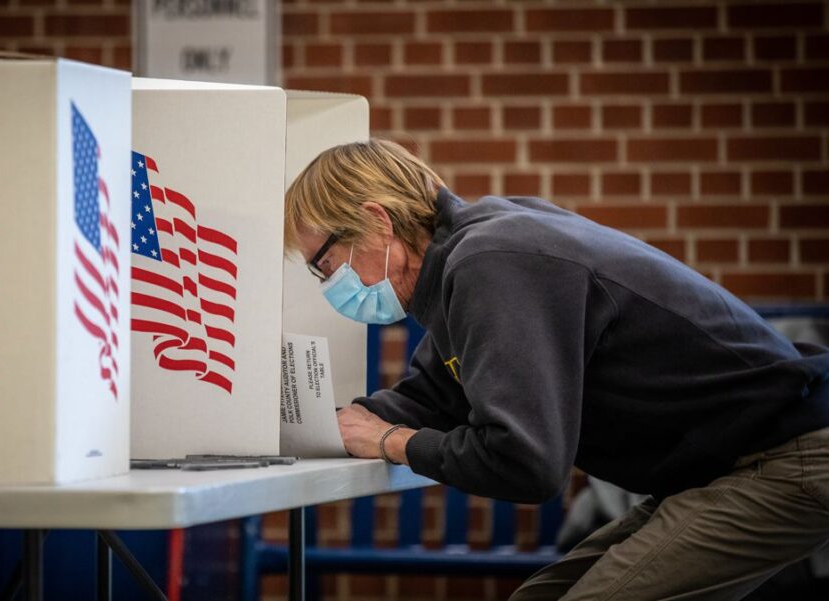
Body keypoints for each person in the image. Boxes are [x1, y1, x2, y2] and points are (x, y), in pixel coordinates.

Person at [285, 138, 829, 600]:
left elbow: (526, 462)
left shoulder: (491, 263)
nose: (328, 283)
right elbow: (432, 394)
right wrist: (309, 424)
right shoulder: (468, 258)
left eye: (325, 264)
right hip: (723, 465)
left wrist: (391, 441)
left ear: (376, 220)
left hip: (787, 454)